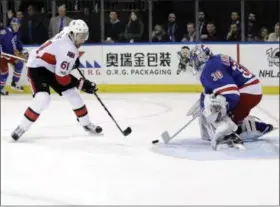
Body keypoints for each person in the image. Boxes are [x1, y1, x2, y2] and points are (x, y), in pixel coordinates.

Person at [11, 19, 102, 141]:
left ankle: (86, 124)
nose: (83, 39)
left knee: (73, 95)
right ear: (73, 34)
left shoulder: (67, 32)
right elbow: (62, 79)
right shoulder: (69, 50)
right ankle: (21, 127)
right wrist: (82, 84)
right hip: (37, 67)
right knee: (43, 99)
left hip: (52, 66)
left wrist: (72, 63)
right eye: (80, 36)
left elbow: (59, 59)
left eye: (85, 36)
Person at [188, 44, 274, 150]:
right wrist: (202, 102)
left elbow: (231, 94)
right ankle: (253, 126)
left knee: (212, 105)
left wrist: (215, 109)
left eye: (194, 60)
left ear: (201, 58)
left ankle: (227, 135)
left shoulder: (209, 68)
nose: (193, 64)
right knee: (209, 103)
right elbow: (215, 89)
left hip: (246, 92)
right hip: (251, 89)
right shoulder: (216, 59)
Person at [0, 17, 28, 95]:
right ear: (11, 25)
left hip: (11, 55)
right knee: (4, 73)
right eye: (14, 25)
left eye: (17, 25)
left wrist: (23, 51)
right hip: (2, 56)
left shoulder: (18, 33)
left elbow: (17, 43)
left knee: (19, 63)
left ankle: (14, 83)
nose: (16, 27)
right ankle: (0, 88)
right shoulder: (4, 31)